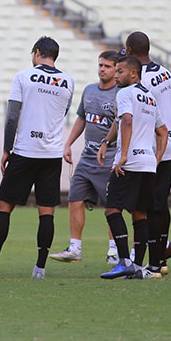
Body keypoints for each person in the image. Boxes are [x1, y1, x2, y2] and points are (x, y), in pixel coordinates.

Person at [0, 36, 74, 280]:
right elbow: (62, 114)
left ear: (37, 52)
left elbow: (12, 116)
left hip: (25, 150)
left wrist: (7, 148)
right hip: (51, 154)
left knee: (4, 207)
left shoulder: (24, 76)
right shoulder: (68, 82)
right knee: (47, 212)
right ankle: (39, 269)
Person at [99, 56, 169, 280]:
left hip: (129, 162)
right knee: (140, 214)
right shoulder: (149, 97)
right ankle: (138, 266)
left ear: (133, 74)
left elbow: (126, 121)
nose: (116, 75)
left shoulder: (125, 93)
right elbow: (163, 132)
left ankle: (124, 262)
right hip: (147, 164)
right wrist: (155, 158)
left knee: (112, 210)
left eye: (120, 71)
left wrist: (124, 155)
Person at [50, 50, 119, 264]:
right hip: (87, 158)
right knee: (74, 198)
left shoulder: (121, 94)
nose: (102, 69)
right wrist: (68, 143)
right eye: (100, 65)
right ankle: (75, 248)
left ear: (117, 69)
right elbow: (82, 118)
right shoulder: (89, 91)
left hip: (109, 159)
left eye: (107, 66)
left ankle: (114, 250)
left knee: (112, 206)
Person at [126, 32, 171, 274]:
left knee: (151, 204)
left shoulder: (143, 80)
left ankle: (156, 260)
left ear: (129, 51)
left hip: (157, 147)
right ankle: (161, 253)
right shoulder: (164, 72)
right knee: (160, 202)